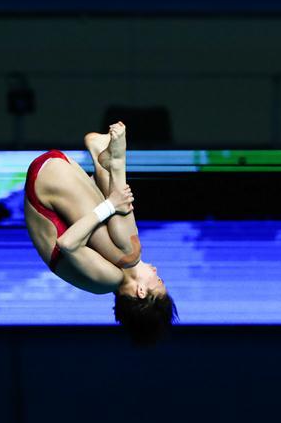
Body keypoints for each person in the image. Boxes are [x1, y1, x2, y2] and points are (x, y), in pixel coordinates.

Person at [24, 121, 177, 345]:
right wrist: (109, 203)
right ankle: (105, 162)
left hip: (46, 181)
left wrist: (110, 205)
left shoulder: (106, 280)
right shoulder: (113, 268)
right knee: (125, 249)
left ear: (142, 291)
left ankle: (114, 164)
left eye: (159, 280)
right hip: (60, 175)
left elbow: (67, 243)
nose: (156, 270)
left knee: (130, 252)